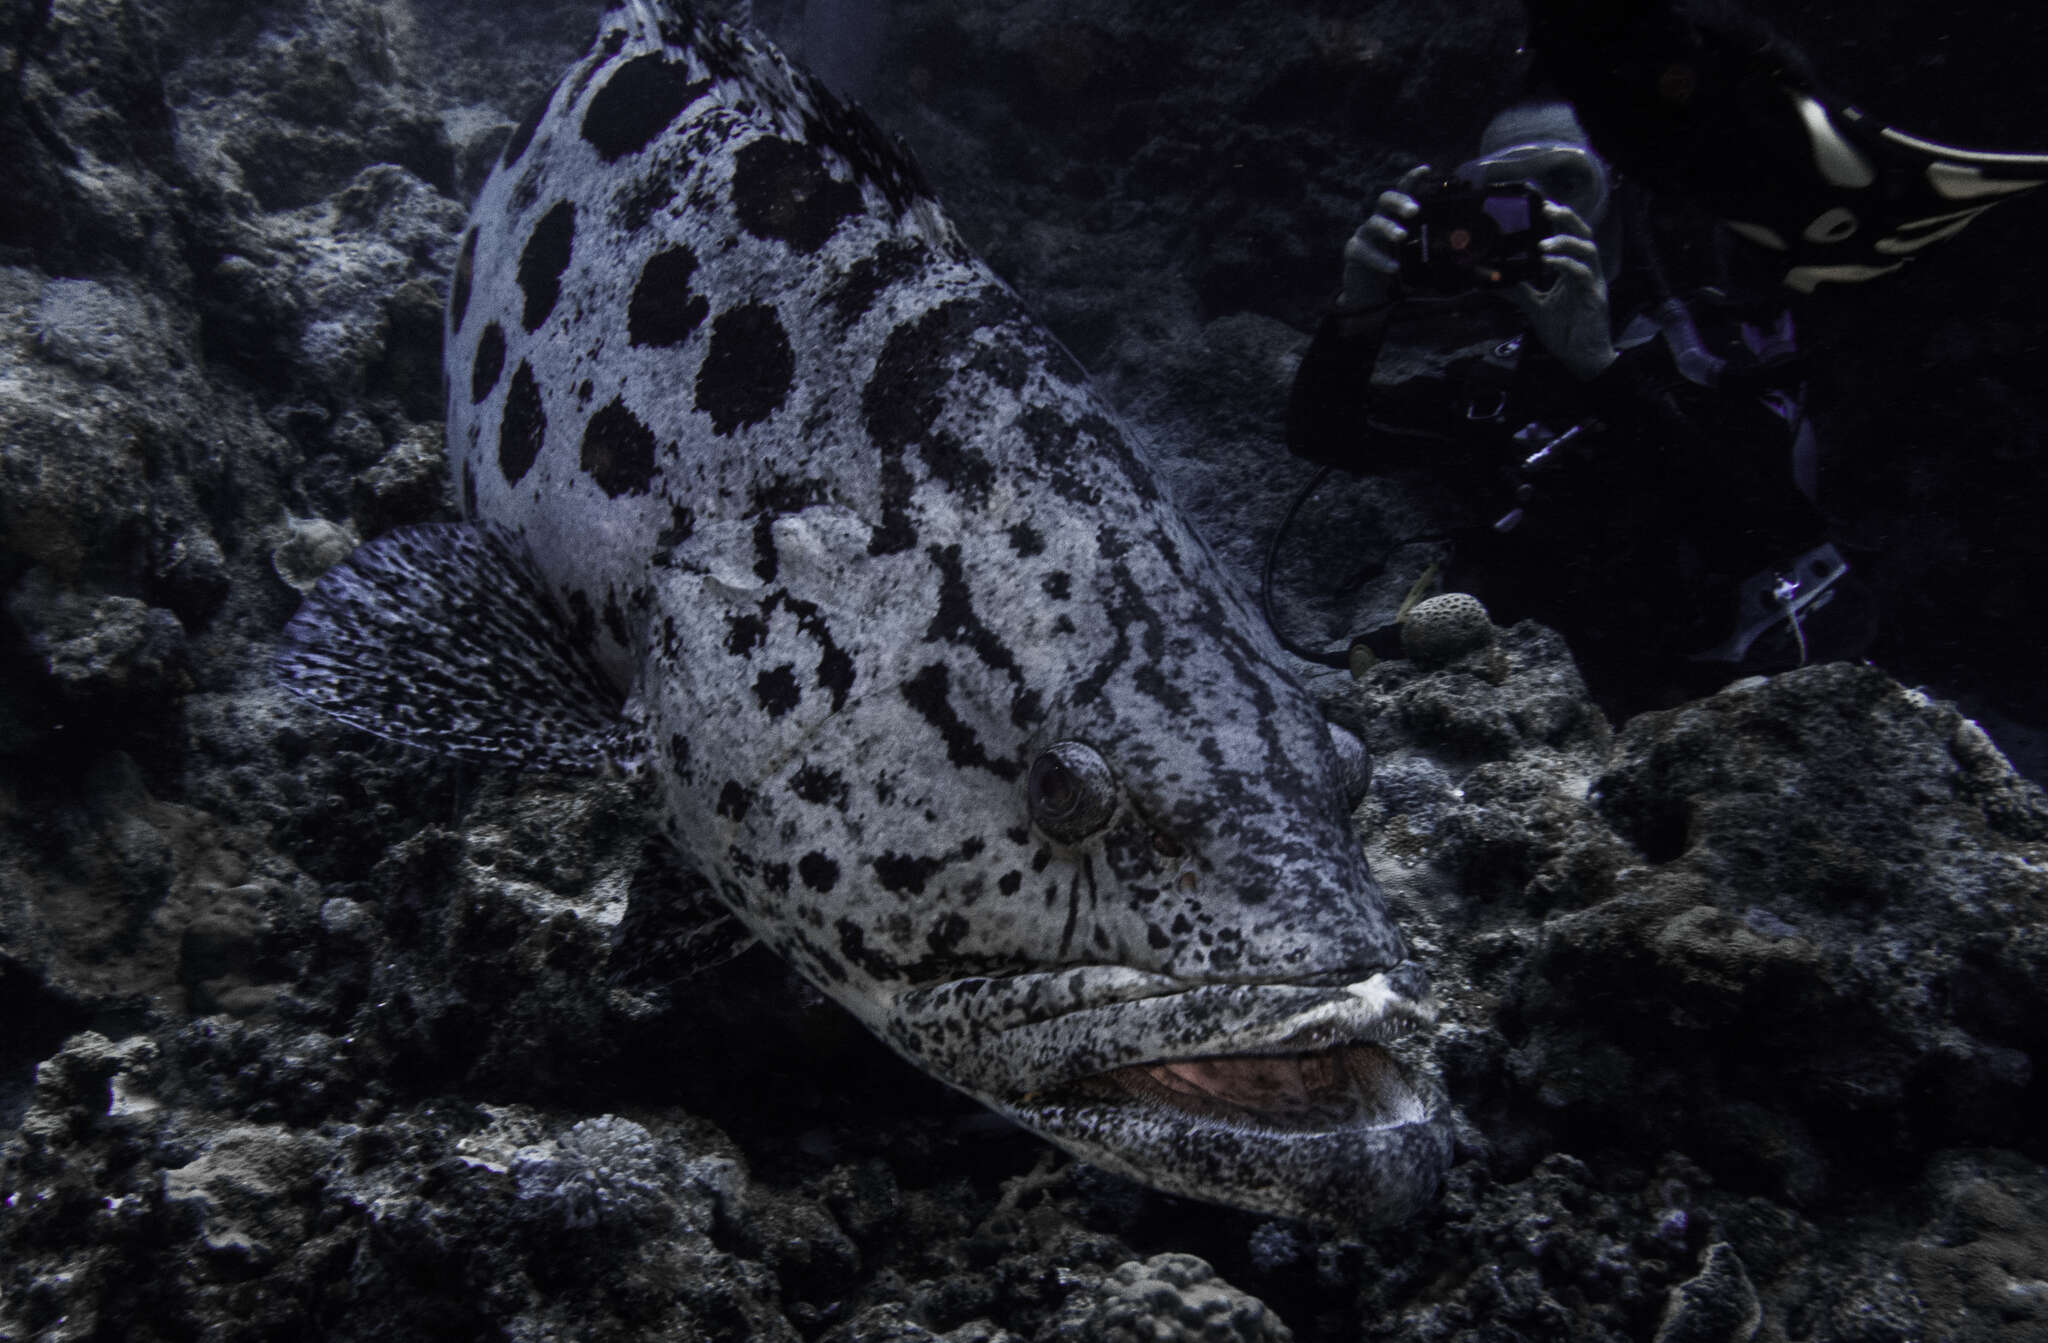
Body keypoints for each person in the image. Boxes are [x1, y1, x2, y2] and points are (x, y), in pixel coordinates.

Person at [1280, 0, 2048, 712]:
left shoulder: (1722, 342)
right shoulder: (1497, 380)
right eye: (1501, 194)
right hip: (1535, 721)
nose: (1534, 215)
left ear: (1617, 187)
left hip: (1719, 718)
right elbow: (1327, 434)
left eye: (1563, 182)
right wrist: (1358, 310)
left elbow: (1766, 527)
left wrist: (1601, 370)